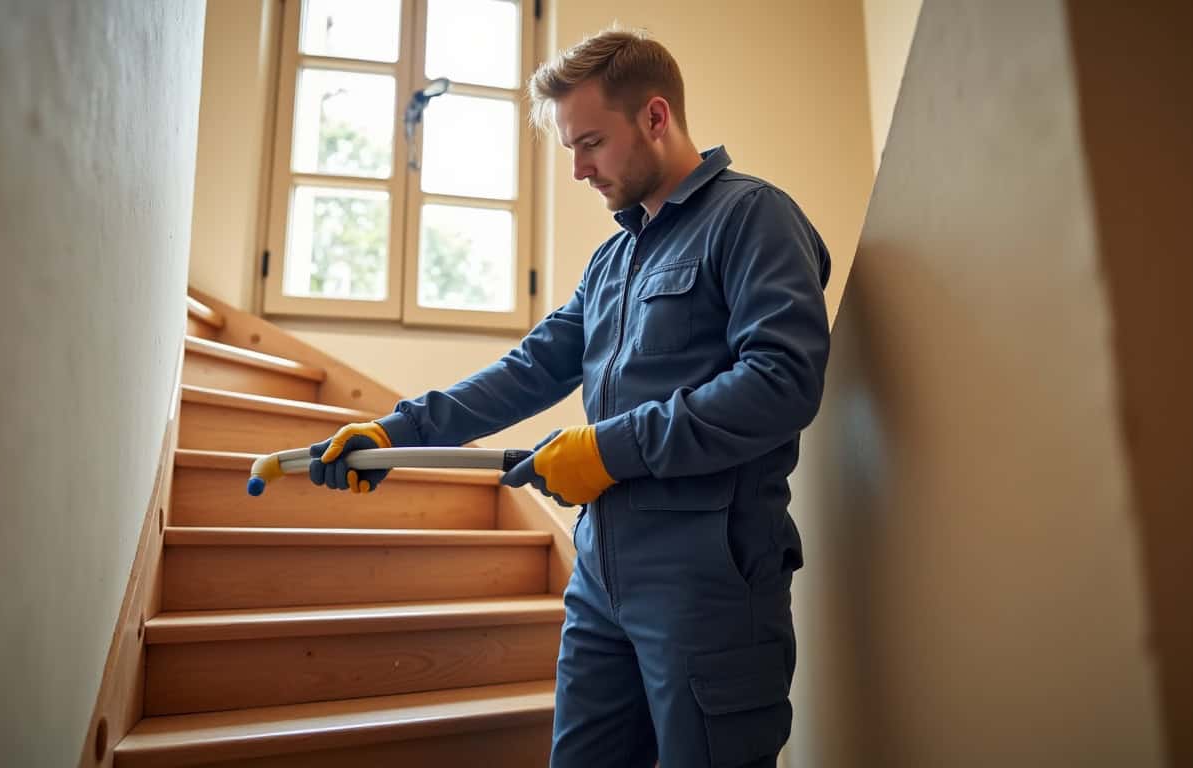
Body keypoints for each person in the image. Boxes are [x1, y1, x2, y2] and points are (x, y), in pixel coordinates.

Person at [309, 28, 831, 768]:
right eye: (570, 150)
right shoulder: (613, 259)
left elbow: (782, 380)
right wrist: (398, 432)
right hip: (600, 581)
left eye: (591, 143)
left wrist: (609, 447)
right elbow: (530, 369)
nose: (581, 170)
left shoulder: (753, 219)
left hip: (709, 583)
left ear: (656, 117)